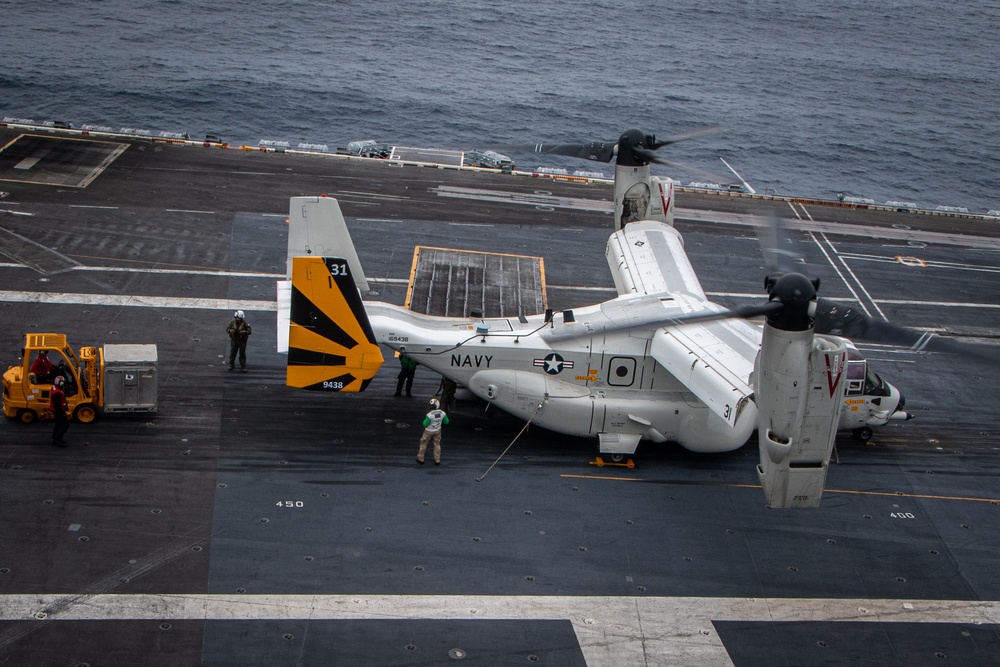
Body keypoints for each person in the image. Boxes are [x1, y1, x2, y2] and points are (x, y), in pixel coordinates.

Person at [416, 398, 449, 466]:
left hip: (428, 431)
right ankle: (437, 460)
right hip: (437, 431)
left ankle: (420, 459)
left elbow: (424, 424)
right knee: (437, 444)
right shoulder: (442, 413)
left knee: (423, 444)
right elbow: (446, 422)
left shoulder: (429, 415)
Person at [50, 376, 69, 447]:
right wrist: (62, 413)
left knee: (58, 424)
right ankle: (57, 439)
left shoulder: (55, 388)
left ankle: (55, 437)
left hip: (56, 410)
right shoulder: (57, 393)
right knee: (65, 425)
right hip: (58, 411)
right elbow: (57, 405)